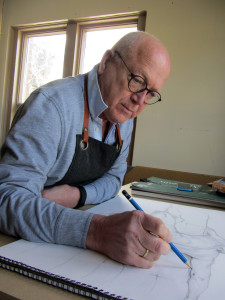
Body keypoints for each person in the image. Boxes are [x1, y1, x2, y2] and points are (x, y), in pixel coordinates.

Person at [0, 31, 172, 269]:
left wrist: (77, 195)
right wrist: (97, 231)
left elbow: (114, 178)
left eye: (150, 92)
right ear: (106, 62)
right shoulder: (50, 107)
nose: (139, 102)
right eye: (138, 80)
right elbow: (7, 200)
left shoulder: (124, 115)